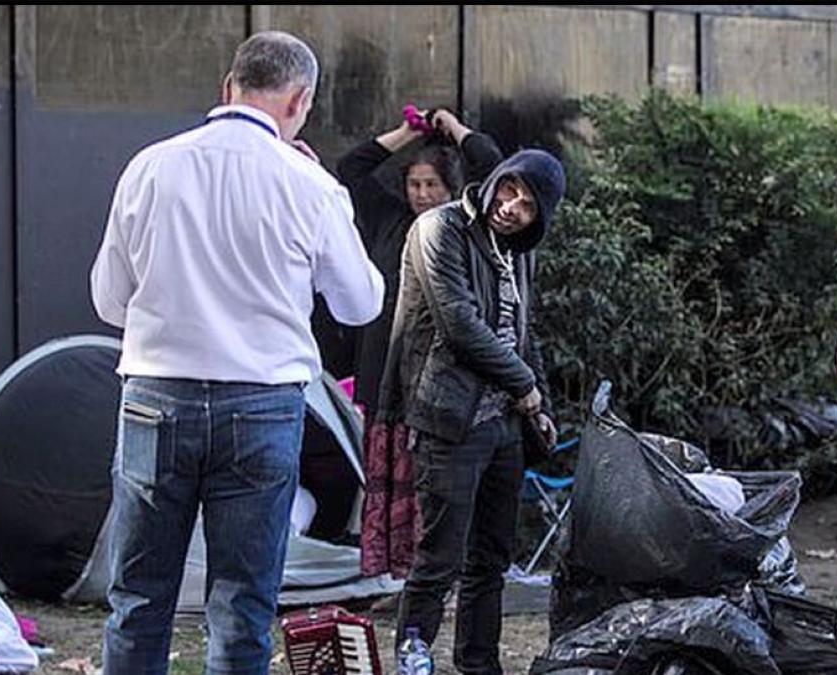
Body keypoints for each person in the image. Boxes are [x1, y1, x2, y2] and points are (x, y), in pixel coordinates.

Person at [89, 31, 383, 675]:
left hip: (155, 399)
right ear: (299, 100)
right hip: (261, 406)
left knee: (138, 600)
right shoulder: (309, 185)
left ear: (229, 85)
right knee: (243, 606)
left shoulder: (149, 166)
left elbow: (110, 303)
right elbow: (360, 304)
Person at [376, 149, 565, 674]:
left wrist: (540, 405)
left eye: (527, 205)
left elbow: (525, 337)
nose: (511, 206)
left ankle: (479, 666)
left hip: (504, 425)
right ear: (497, 181)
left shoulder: (518, 251)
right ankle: (414, 665)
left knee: (491, 562)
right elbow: (459, 325)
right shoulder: (441, 229)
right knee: (438, 560)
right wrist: (525, 386)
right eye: (510, 190)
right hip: (448, 417)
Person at [337, 109, 503, 413]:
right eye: (415, 184)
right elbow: (351, 168)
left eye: (432, 184)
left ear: (450, 187)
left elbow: (490, 162)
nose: (422, 194)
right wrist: (407, 133)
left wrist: (453, 126)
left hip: (438, 372)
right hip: (382, 362)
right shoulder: (389, 219)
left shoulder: (465, 225)